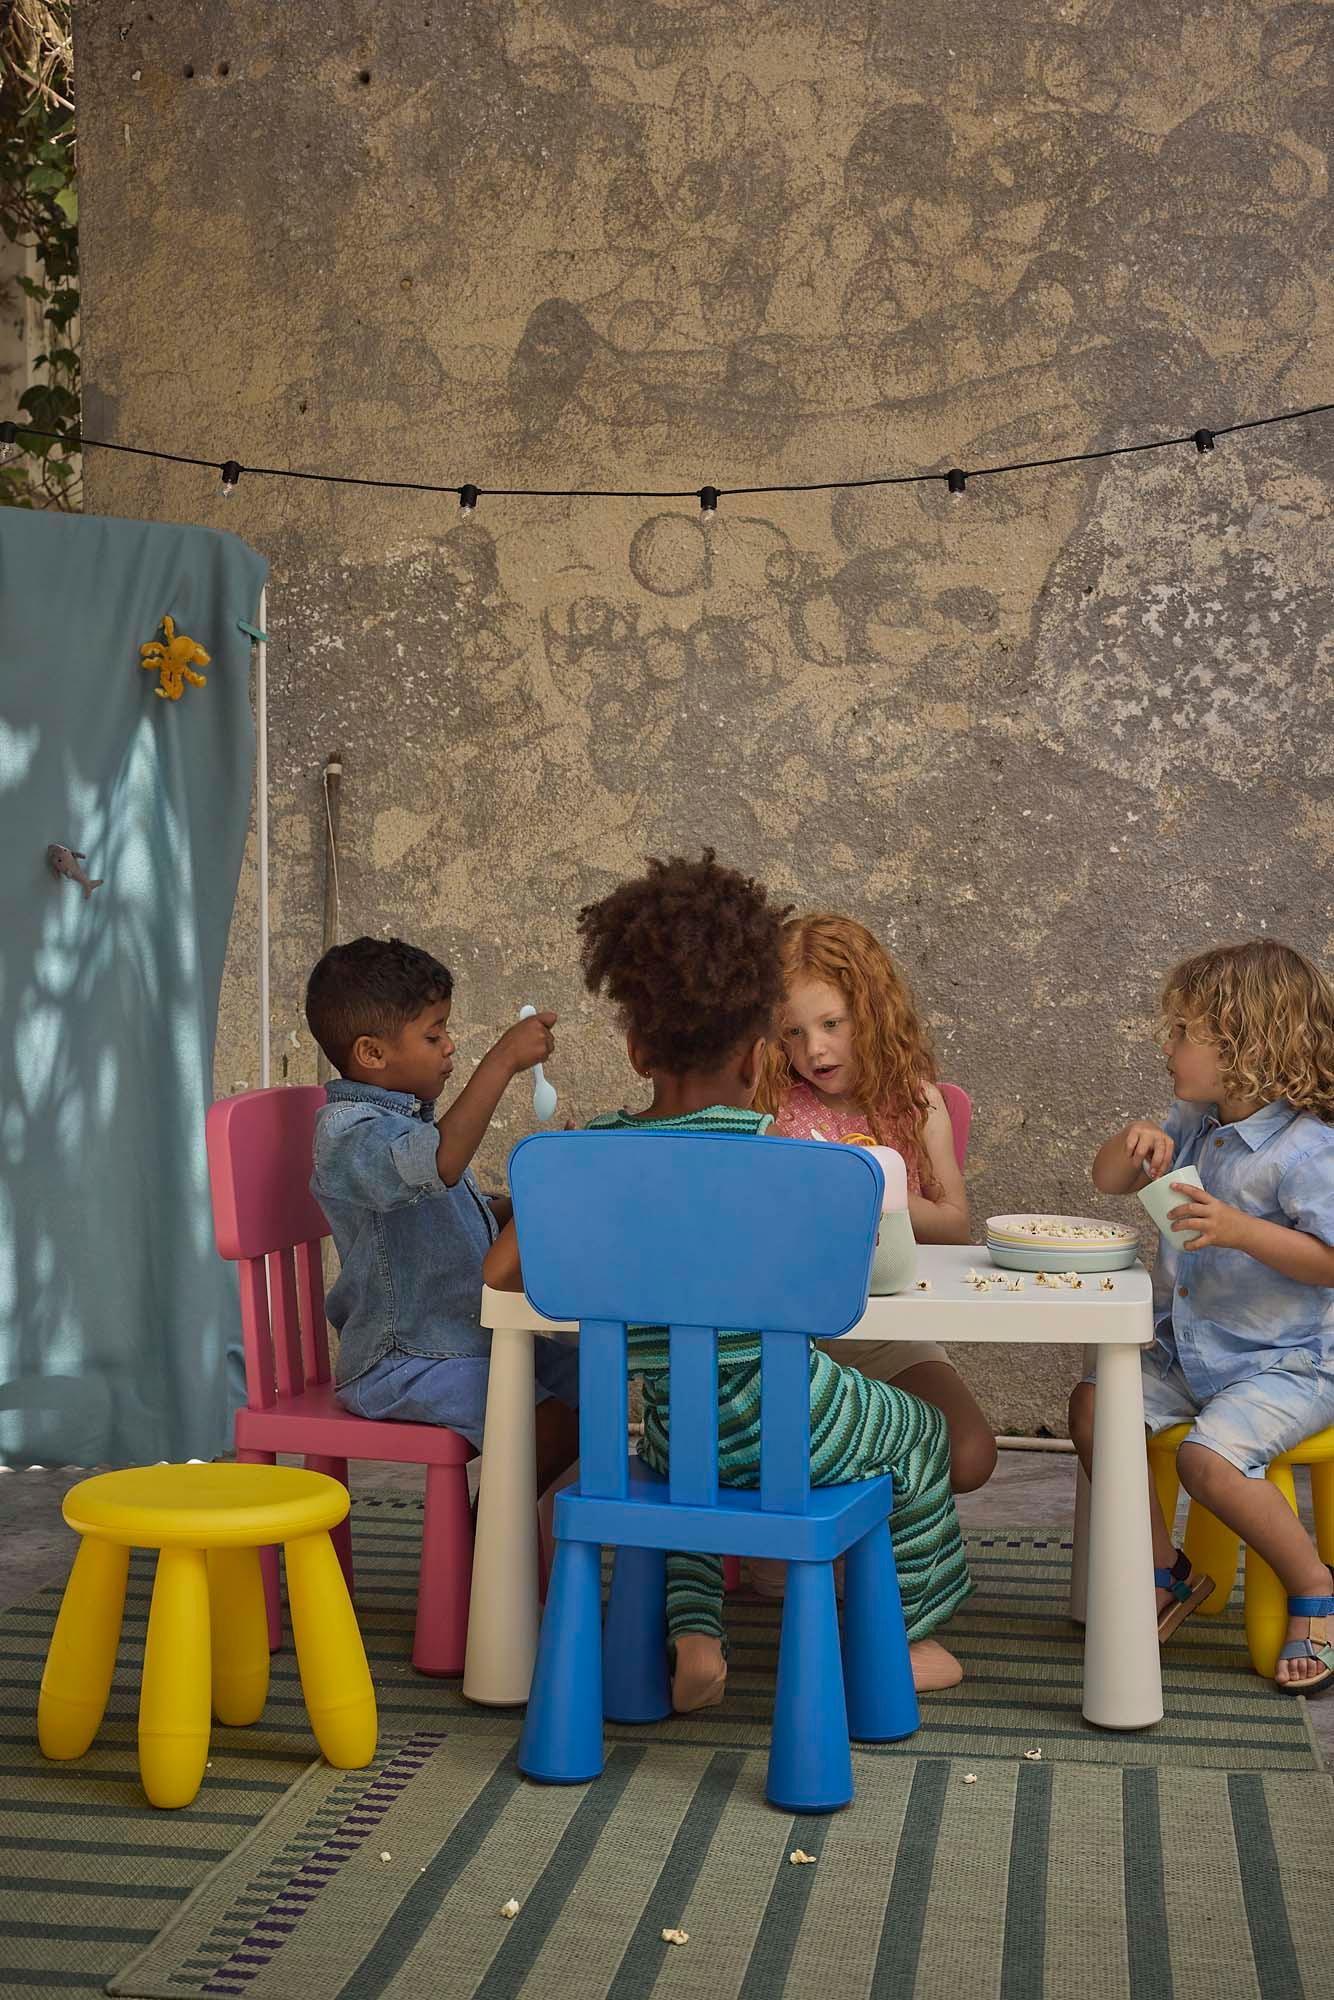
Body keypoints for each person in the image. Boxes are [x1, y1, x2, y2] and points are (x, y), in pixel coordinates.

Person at [483, 852, 972, 1712]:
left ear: (636, 1050)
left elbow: (498, 1275)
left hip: (672, 1433)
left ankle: (697, 1639)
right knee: (922, 1435)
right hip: (800, 1426)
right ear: (759, 1059)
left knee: (686, 1464)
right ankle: (909, 1639)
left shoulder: (587, 1157)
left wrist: (564, 1187)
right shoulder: (793, 1163)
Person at [1069, 939, 1334, 1691]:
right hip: (1189, 1351)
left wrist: (1244, 1229)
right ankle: (1166, 1571)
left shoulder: (1308, 1153)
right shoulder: (1193, 1118)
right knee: (1094, 1407)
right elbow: (1107, 1178)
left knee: (1205, 1461)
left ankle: (1315, 1585)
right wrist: (1133, 1144)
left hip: (1287, 1362)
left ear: (1246, 1047)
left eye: (1183, 1032)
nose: (1168, 1045)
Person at [305, 935, 579, 1494]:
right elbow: (442, 1163)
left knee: (590, 1386)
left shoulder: (411, 1128)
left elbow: (462, 1212)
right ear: (372, 1054)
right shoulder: (349, 1136)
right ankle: (490, 1553)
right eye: (434, 1034)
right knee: (550, 1421)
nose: (450, 1046)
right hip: (402, 1363)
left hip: (465, 1341)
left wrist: (547, 1190)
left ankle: (519, 1543)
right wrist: (502, 1060)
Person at [757, 913, 996, 1498]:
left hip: (886, 1335)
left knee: (969, 1455)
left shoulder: (916, 1103)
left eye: (832, 1023)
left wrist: (870, 1185)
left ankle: (859, 1529)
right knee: (781, 1442)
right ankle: (811, 1544)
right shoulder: (769, 1106)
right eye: (792, 1033)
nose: (814, 1049)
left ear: (871, 1010)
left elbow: (955, 1227)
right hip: (789, 1340)